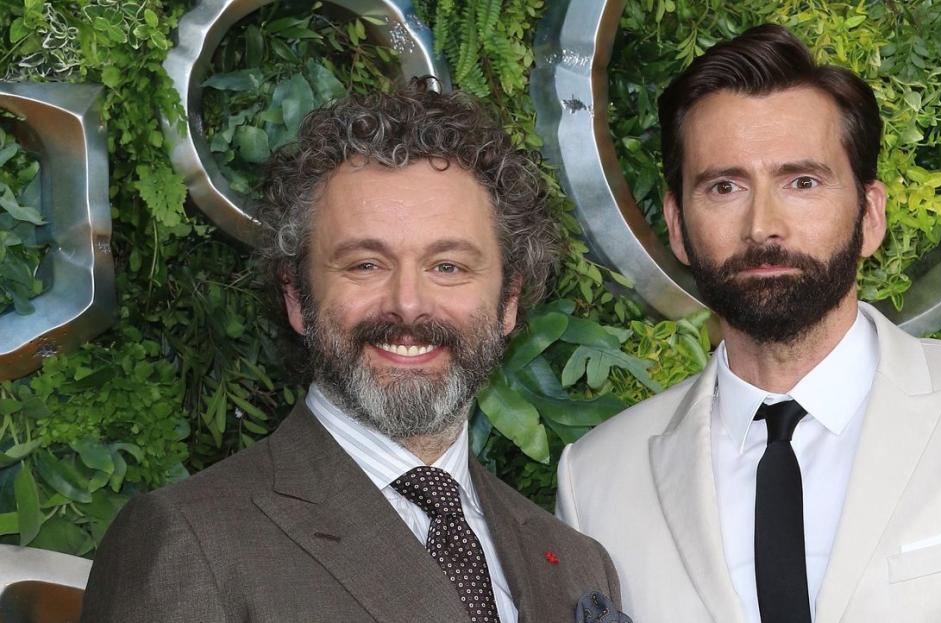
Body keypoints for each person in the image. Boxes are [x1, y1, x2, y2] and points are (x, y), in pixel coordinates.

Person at [556, 24, 941, 623]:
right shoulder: (597, 481)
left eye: (802, 182)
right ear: (678, 226)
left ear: (869, 217)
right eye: (725, 186)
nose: (763, 225)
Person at [82, 80, 622, 622]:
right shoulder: (189, 539)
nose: (408, 306)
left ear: (508, 302)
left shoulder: (576, 564)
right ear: (297, 296)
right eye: (366, 264)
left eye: (448, 267)